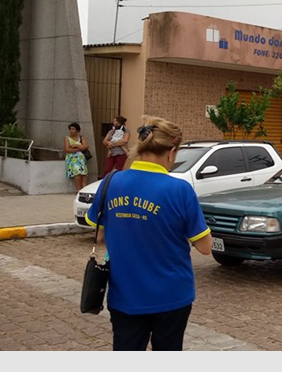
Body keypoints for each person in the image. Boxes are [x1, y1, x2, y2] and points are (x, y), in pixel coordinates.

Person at [85, 116, 213, 351]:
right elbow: (205, 248)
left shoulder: (110, 182)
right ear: (172, 152)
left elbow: (100, 236)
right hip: (172, 296)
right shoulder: (180, 190)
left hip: (125, 296)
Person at [64, 122, 89, 191]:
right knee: (77, 172)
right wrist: (79, 148)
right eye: (70, 129)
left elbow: (86, 146)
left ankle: (84, 190)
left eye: (73, 129)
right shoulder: (67, 138)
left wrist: (76, 145)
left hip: (81, 159)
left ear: (77, 131)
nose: (71, 131)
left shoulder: (81, 138)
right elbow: (67, 149)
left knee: (84, 173)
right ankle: (78, 189)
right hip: (72, 159)